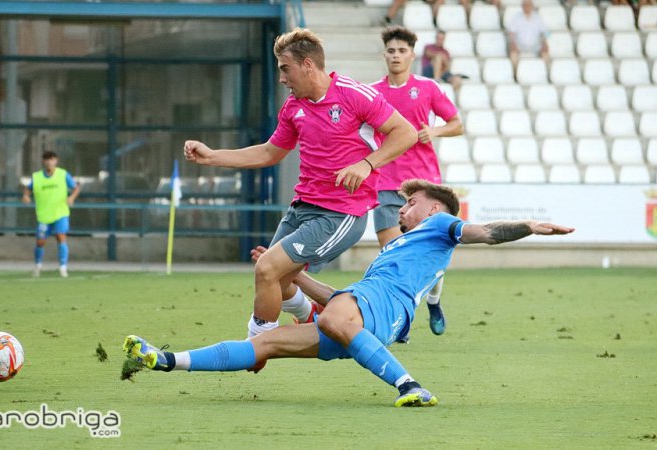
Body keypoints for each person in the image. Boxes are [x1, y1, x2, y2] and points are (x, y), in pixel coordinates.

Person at [122, 179, 575, 407]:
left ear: (434, 207)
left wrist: (528, 226)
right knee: (267, 342)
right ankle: (166, 360)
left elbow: (485, 233)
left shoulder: (440, 223)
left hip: (379, 309)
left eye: (410, 202)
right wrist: (291, 273)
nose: (403, 209)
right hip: (361, 313)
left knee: (333, 316)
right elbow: (337, 296)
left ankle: (410, 385)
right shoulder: (397, 247)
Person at [183, 28, 417, 339]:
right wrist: (212, 156)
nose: (282, 78)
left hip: (341, 212)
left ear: (307, 65)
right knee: (275, 282)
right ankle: (309, 315)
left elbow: (406, 133)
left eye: (285, 68)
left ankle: (256, 346)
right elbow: (270, 152)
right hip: (301, 207)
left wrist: (366, 164)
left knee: (267, 269)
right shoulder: (294, 107)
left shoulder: (353, 94)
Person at [371, 25, 464, 339]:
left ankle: (433, 301)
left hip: (424, 184)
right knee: (392, 256)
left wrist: (434, 131)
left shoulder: (427, 88)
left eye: (402, 50)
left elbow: (457, 124)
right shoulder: (373, 92)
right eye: (391, 51)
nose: (396, 56)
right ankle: (401, 321)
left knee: (429, 256)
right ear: (384, 55)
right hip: (385, 182)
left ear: (412, 55)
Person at [22, 151, 81, 278]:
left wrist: (71, 198)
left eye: (52, 159)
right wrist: (26, 196)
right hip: (44, 215)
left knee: (61, 236)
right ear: (43, 161)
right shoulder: (37, 177)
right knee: (40, 241)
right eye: (47, 160)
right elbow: (28, 188)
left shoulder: (63, 174)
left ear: (56, 161)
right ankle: (38, 266)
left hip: (60, 213)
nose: (49, 162)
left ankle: (63, 267)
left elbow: (76, 188)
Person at [507, 0, 550, 73]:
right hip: (520, 46)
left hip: (535, 46)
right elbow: (511, 33)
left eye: (529, 5)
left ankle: (544, 72)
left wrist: (544, 42)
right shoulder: (516, 18)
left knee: (545, 52)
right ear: (522, 6)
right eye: (525, 5)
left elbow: (545, 32)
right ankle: (515, 74)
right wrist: (512, 42)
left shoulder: (538, 18)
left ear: (532, 6)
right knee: (513, 53)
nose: (527, 7)